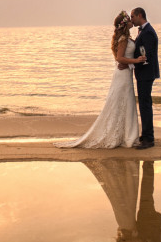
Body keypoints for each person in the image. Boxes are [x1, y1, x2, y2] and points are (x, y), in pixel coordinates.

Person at [55, 10, 146, 149]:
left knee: (126, 103)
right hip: (122, 75)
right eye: (129, 19)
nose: (131, 20)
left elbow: (122, 58)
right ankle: (125, 136)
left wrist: (131, 62)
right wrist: (136, 60)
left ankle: (127, 135)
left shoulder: (125, 38)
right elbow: (119, 58)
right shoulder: (122, 39)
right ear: (124, 24)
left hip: (125, 73)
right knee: (122, 102)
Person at [128, 7, 159, 149]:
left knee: (145, 105)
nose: (131, 19)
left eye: (133, 16)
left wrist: (132, 60)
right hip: (143, 73)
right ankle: (146, 134)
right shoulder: (143, 31)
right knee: (144, 104)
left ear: (140, 15)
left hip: (146, 73)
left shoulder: (148, 32)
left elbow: (147, 54)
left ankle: (149, 139)